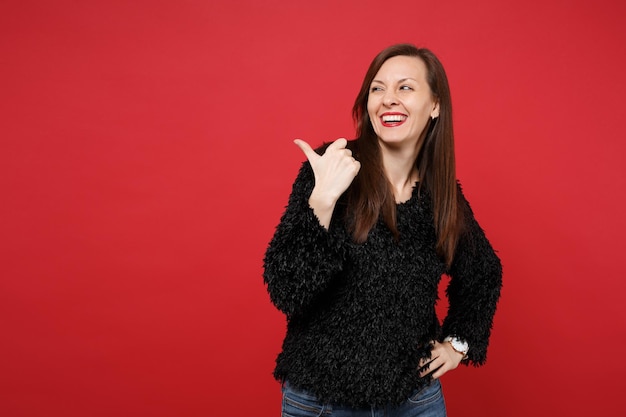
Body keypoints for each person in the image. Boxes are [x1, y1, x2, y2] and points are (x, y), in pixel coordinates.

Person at [263, 43, 502, 417]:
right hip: (321, 403)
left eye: (405, 87)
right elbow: (286, 289)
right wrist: (323, 200)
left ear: (435, 105)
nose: (389, 99)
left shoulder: (440, 198)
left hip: (413, 402)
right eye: (378, 88)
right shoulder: (331, 168)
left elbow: (483, 273)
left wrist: (458, 344)